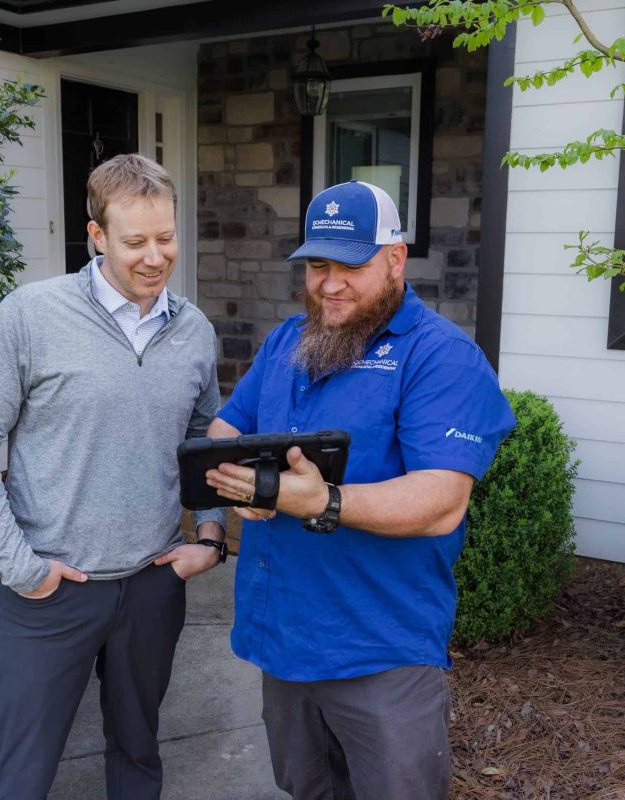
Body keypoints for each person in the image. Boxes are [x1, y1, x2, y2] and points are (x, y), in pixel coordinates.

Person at [206, 180, 516, 800]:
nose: (329, 283)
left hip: (380, 648)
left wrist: (323, 502)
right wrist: (245, 485)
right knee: (307, 788)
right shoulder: (288, 340)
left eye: (350, 264)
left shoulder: (441, 358)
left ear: (395, 259)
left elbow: (441, 500)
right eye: (317, 265)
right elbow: (227, 427)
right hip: (284, 638)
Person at [0, 154, 227, 800]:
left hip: (154, 585)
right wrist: (21, 567)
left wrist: (209, 535)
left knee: (138, 755)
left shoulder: (194, 331)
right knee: (20, 774)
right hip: (52, 593)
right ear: (96, 236)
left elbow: (205, 438)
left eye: (166, 238)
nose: (155, 257)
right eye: (136, 242)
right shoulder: (31, 317)